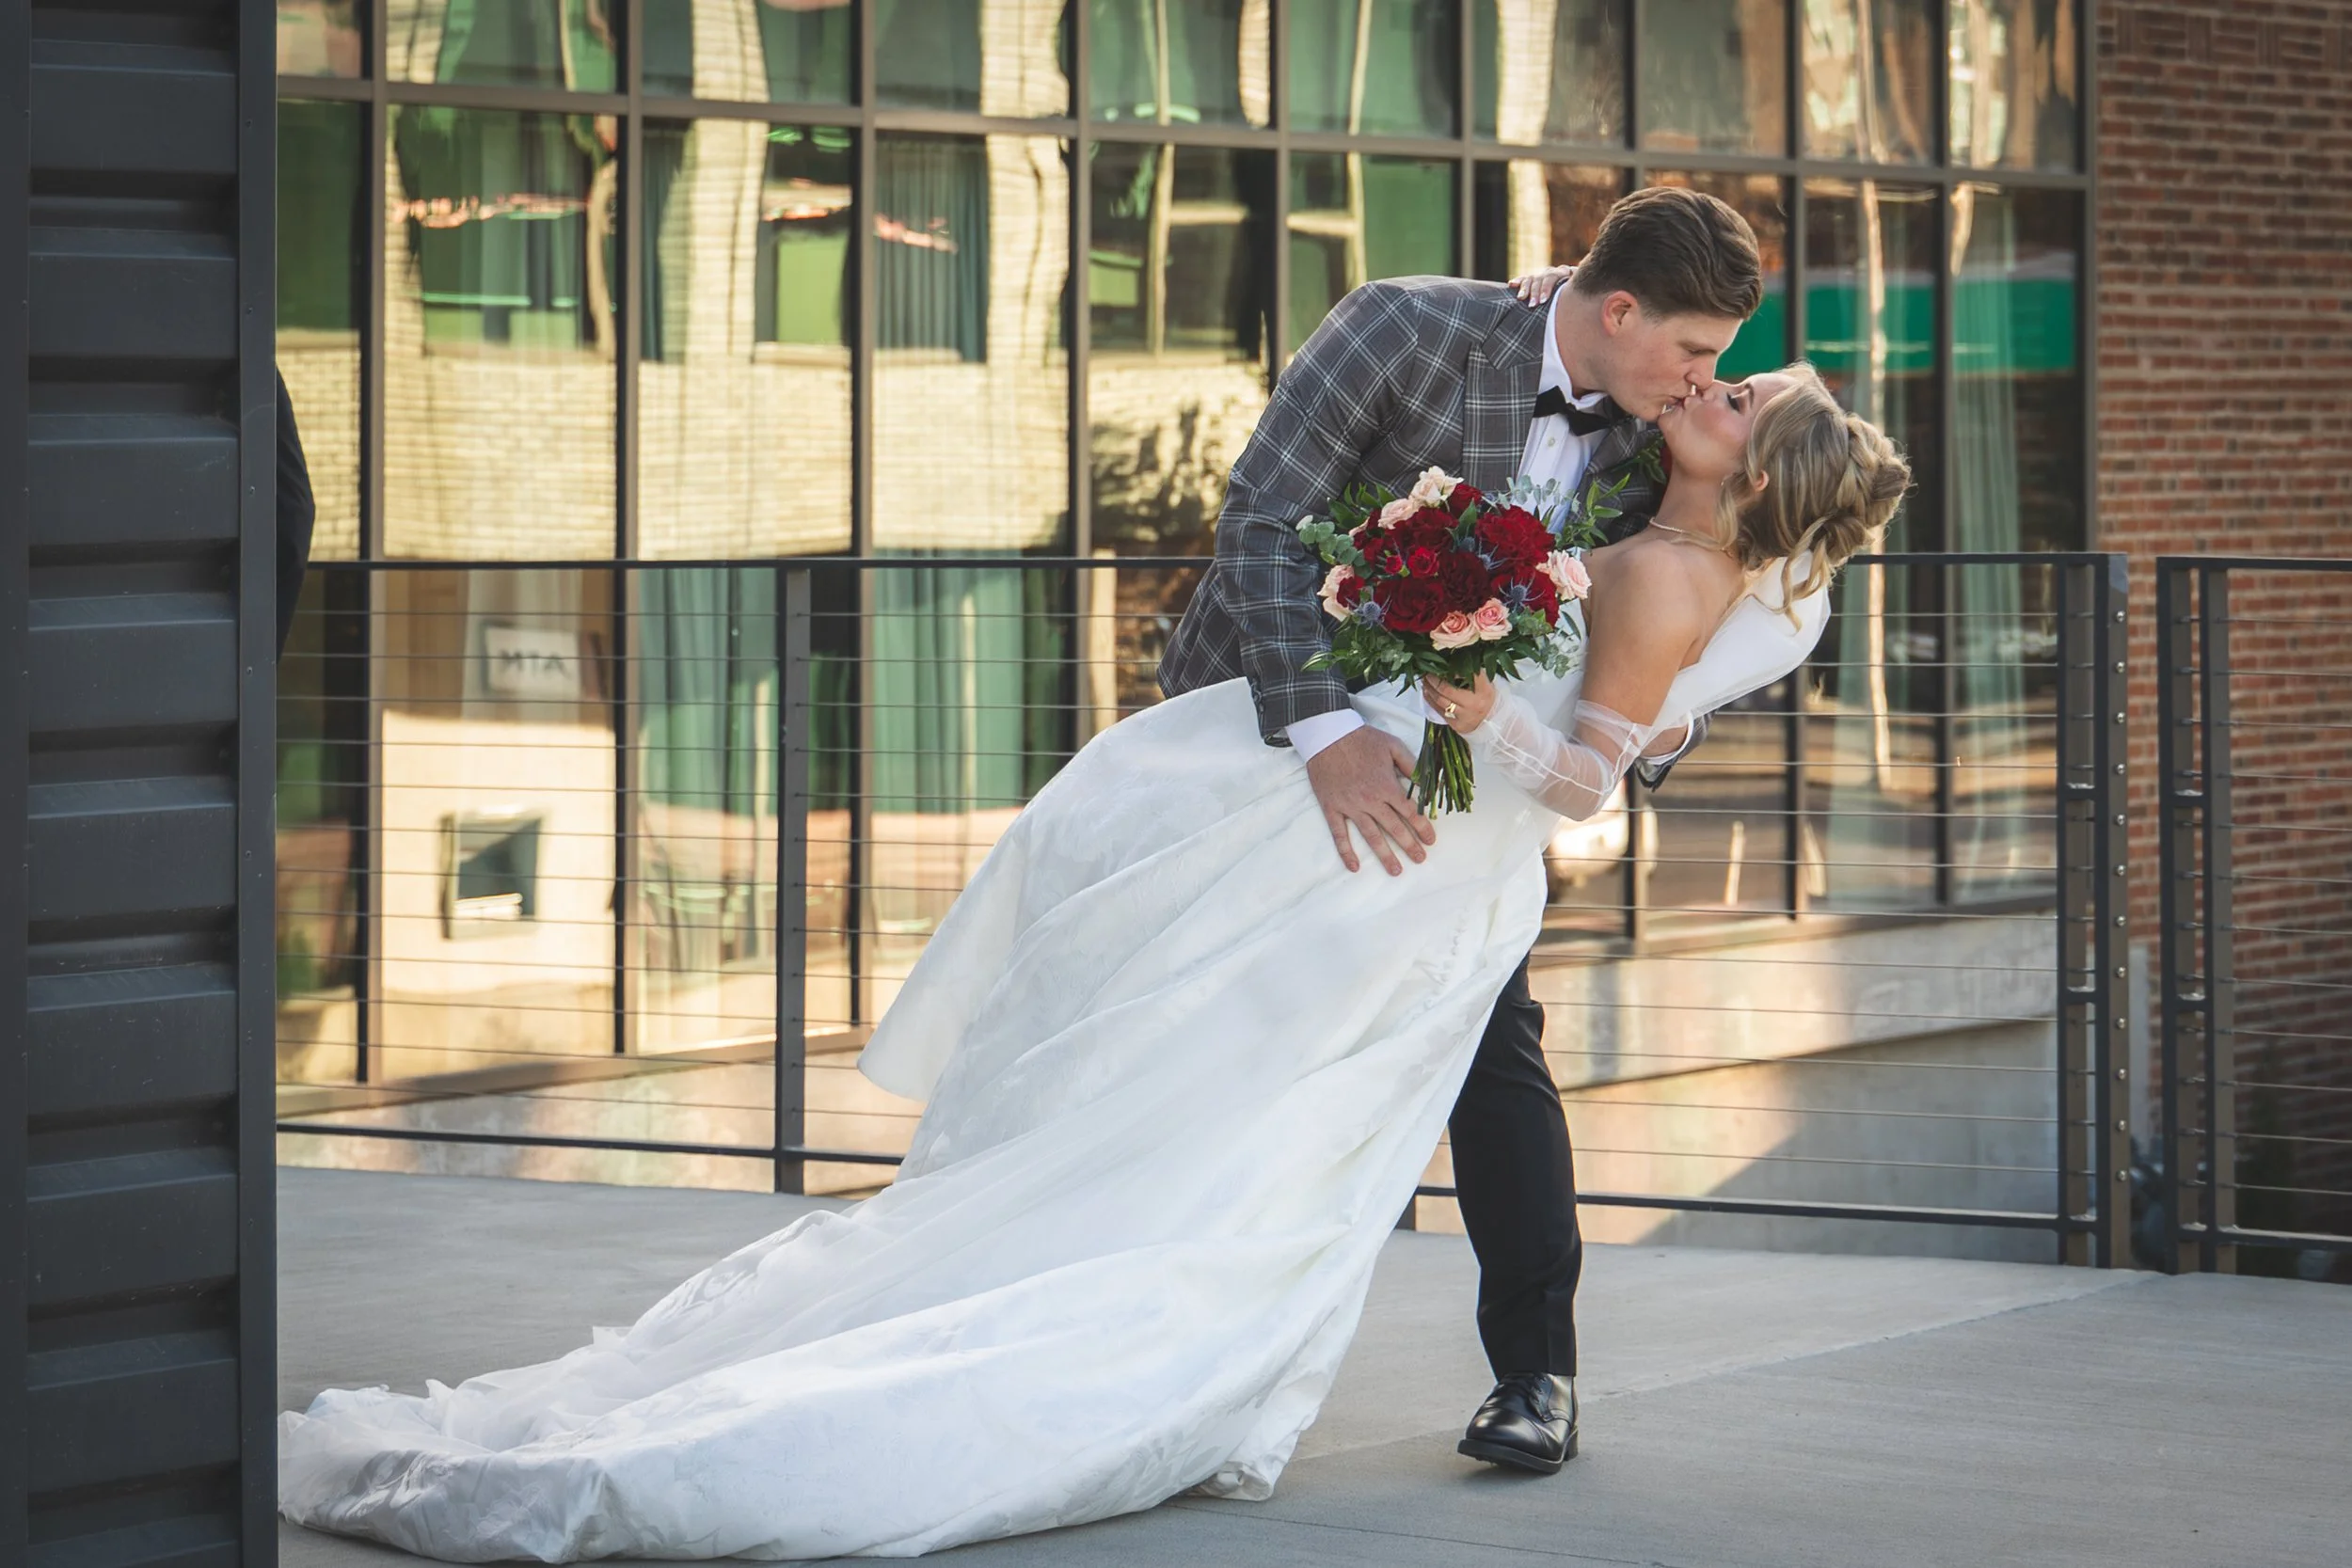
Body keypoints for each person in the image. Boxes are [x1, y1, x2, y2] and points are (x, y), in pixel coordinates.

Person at [278, 344, 1910, 1559]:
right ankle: (1149, 1302)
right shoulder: (1658, 519)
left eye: (1738, 398)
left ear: (1753, 474)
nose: (1710, 385)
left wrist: (1482, 701)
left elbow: (1591, 772)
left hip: (1438, 845)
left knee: (1276, 1098)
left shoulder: (1667, 562)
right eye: (1714, 365)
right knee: (1229, 1082)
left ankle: (1480, 1362)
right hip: (1406, 828)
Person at [1158, 185, 1763, 1473]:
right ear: (1614, 308)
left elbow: (1680, 631)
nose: (1711, 378)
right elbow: (1263, 519)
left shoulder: (1670, 434)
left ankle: (1536, 1376)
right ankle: (1176, 1356)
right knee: (1234, 1044)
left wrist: (1626, 735)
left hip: (1465, 795)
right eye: (1696, 350)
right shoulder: (1404, 329)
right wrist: (1324, 737)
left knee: (1494, 1050)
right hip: (1265, 744)